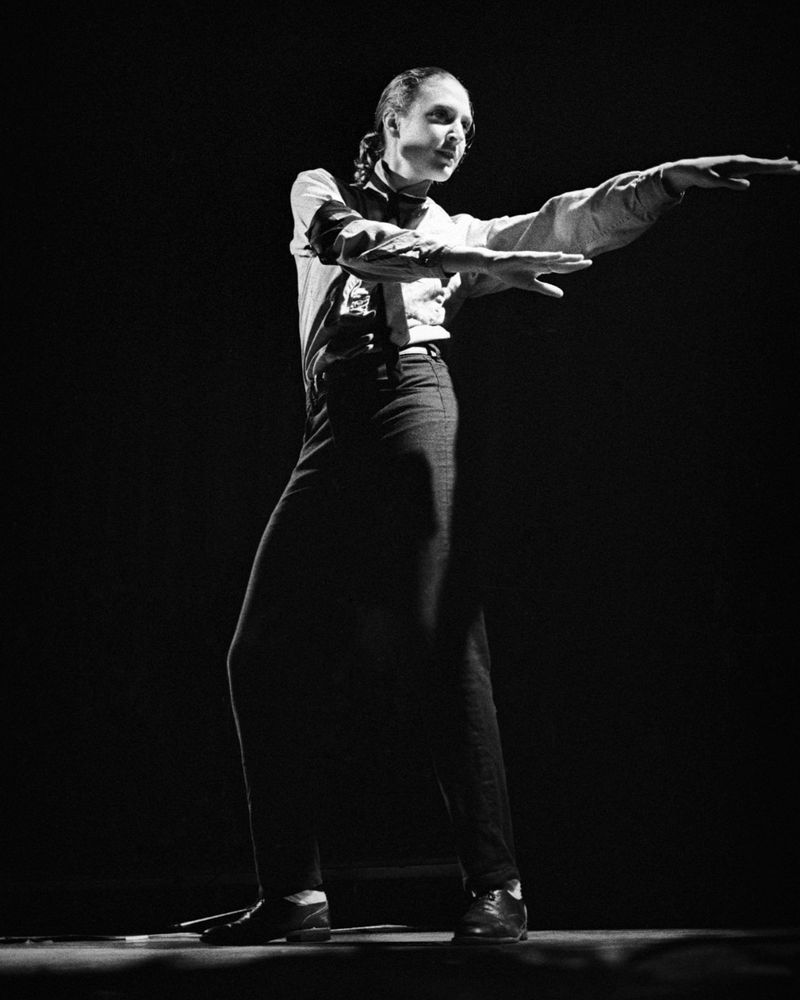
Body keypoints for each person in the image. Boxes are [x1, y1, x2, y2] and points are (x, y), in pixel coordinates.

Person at [200, 66, 798, 946]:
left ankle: (497, 885)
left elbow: (565, 220)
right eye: (441, 117)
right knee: (259, 655)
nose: (457, 136)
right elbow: (350, 241)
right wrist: (470, 263)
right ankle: (293, 894)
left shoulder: (458, 229)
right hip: (331, 425)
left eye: (467, 127)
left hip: (414, 402)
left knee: (440, 632)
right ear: (391, 120)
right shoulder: (320, 190)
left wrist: (662, 183)